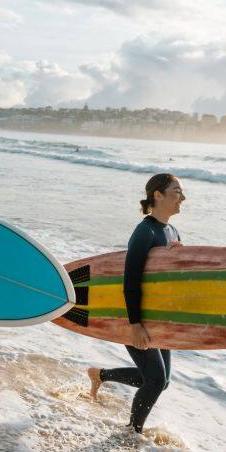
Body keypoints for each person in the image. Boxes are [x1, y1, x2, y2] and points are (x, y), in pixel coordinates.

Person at [87, 173, 185, 434]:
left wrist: (176, 257)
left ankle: (101, 376)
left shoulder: (171, 230)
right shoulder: (145, 231)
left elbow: (165, 279)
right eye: (177, 191)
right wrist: (135, 325)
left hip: (156, 317)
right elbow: (130, 280)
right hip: (134, 316)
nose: (182, 198)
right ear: (158, 195)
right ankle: (133, 431)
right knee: (155, 379)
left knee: (161, 382)